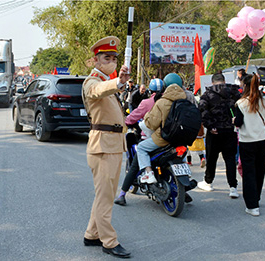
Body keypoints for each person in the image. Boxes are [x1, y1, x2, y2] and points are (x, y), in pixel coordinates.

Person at [82, 36, 131, 258]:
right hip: (103, 146)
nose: (111, 61)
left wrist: (117, 83)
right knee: (105, 197)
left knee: (104, 194)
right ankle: (109, 241)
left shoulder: (107, 83)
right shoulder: (92, 82)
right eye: (106, 57)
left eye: (114, 58)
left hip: (111, 144)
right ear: (96, 60)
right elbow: (98, 90)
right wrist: (118, 82)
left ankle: (92, 234)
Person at [114, 78, 165, 206]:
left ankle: (122, 194)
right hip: (169, 138)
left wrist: (126, 122)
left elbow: (132, 117)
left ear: (150, 90)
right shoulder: (170, 102)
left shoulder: (147, 102)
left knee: (135, 165)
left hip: (150, 138)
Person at [136, 73, 187, 184]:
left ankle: (149, 173)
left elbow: (152, 124)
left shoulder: (162, 102)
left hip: (165, 138)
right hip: (183, 138)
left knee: (141, 148)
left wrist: (147, 117)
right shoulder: (188, 100)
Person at [234, 74, 265, 216]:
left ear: (245, 86)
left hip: (247, 142)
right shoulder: (264, 102)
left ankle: (252, 205)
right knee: (260, 171)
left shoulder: (241, 103)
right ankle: (256, 198)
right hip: (262, 141)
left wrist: (233, 120)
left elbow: (238, 123)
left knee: (249, 173)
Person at [197, 72, 241, 198]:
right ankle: (233, 187)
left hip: (214, 132)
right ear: (224, 80)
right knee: (230, 160)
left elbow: (202, 110)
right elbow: (241, 108)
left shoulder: (207, 94)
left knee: (211, 158)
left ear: (212, 82)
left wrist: (210, 126)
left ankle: (208, 182)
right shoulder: (234, 93)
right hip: (230, 130)